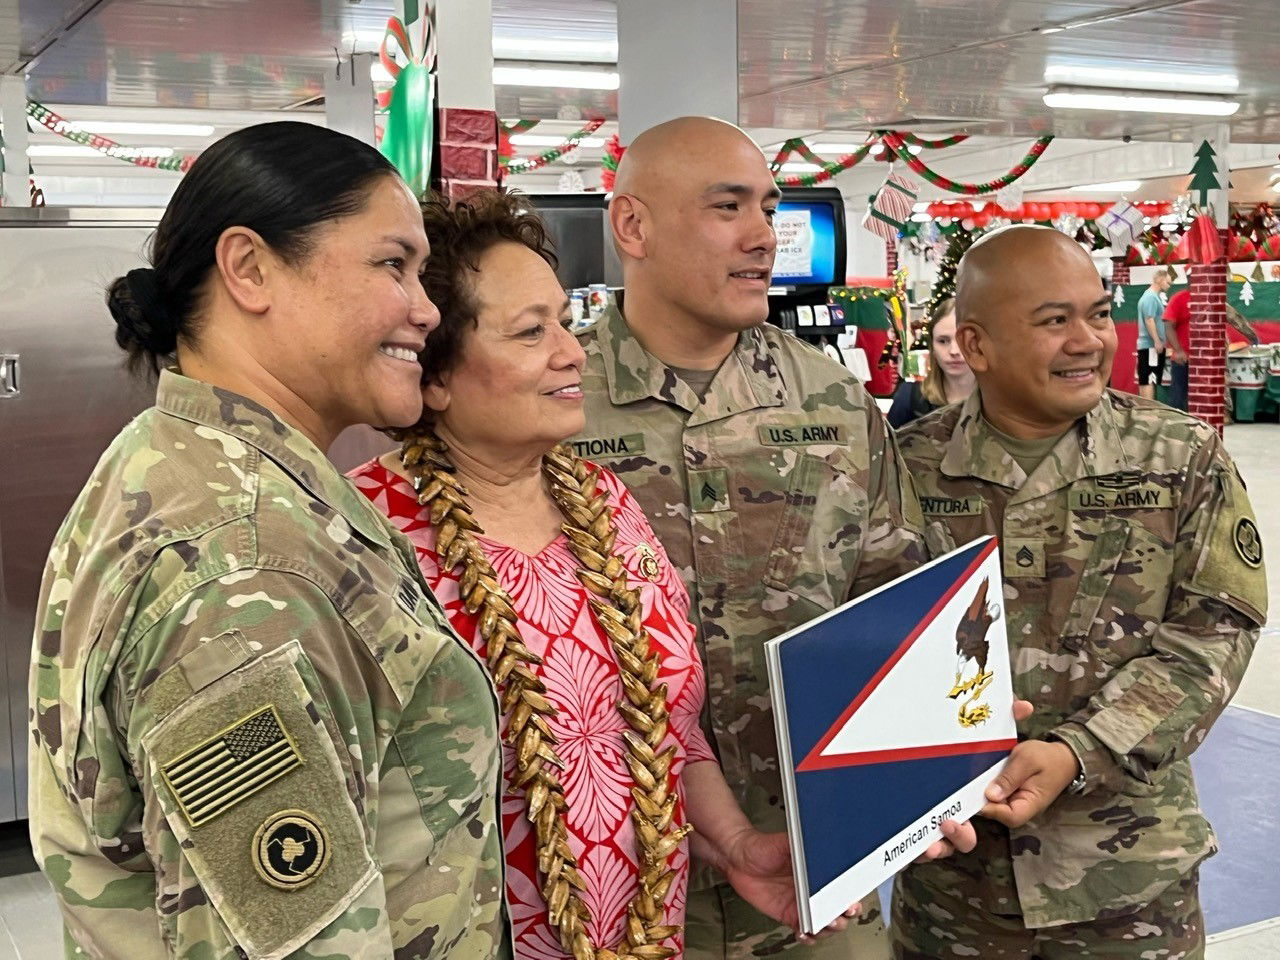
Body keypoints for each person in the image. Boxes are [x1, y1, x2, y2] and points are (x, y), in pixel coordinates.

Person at [28, 122, 510, 959]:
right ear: (249, 268)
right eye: (391, 264)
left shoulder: (177, 461)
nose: (427, 309)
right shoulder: (247, 571)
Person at [350, 189, 860, 960]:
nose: (573, 351)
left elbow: (666, 724)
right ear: (437, 373)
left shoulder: (603, 502)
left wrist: (734, 845)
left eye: (563, 319)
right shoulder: (364, 536)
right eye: (532, 332)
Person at [570, 115, 979, 960]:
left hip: (809, 871)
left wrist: (936, 759)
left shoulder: (830, 403)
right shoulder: (553, 403)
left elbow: (892, 605)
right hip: (612, 875)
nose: (764, 237)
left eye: (768, 207)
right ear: (632, 225)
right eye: (728, 207)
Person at [893, 225, 1266, 959]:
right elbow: (866, 640)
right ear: (975, 345)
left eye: (1098, 314)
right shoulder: (907, 470)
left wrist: (1083, 748)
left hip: (1127, 888)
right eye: (1053, 320)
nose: (1089, 340)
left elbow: (1216, 630)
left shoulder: (1179, 456)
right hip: (955, 890)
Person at [887, 297, 975, 428]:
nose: (954, 351)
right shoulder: (909, 399)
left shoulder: (1000, 403)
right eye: (943, 341)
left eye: (962, 340)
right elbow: (888, 446)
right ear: (932, 347)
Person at [1135, 265, 1173, 399]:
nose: (1169, 286)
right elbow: (1149, 320)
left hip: (1151, 345)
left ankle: (1148, 408)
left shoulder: (1150, 296)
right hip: (1151, 346)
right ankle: (1148, 410)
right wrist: (1157, 341)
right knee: (1149, 378)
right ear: (1160, 280)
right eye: (1168, 282)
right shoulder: (1151, 297)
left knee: (1149, 377)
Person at [1163, 284, 1190, 410]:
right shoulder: (1179, 298)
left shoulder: (1209, 297)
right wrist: (1178, 351)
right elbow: (1168, 326)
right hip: (1183, 359)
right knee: (1178, 397)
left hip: (1204, 360)